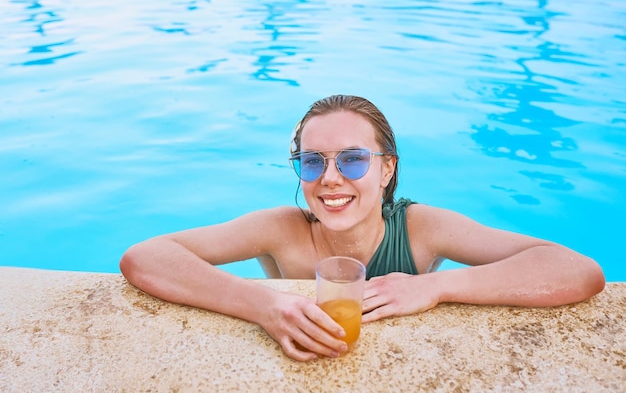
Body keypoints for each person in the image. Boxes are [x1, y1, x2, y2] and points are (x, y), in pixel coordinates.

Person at [120, 94, 605, 362]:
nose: (330, 178)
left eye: (353, 160)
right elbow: (145, 256)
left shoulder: (421, 228)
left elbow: (575, 270)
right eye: (312, 162)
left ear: (387, 169)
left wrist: (437, 286)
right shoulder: (282, 229)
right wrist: (262, 303)